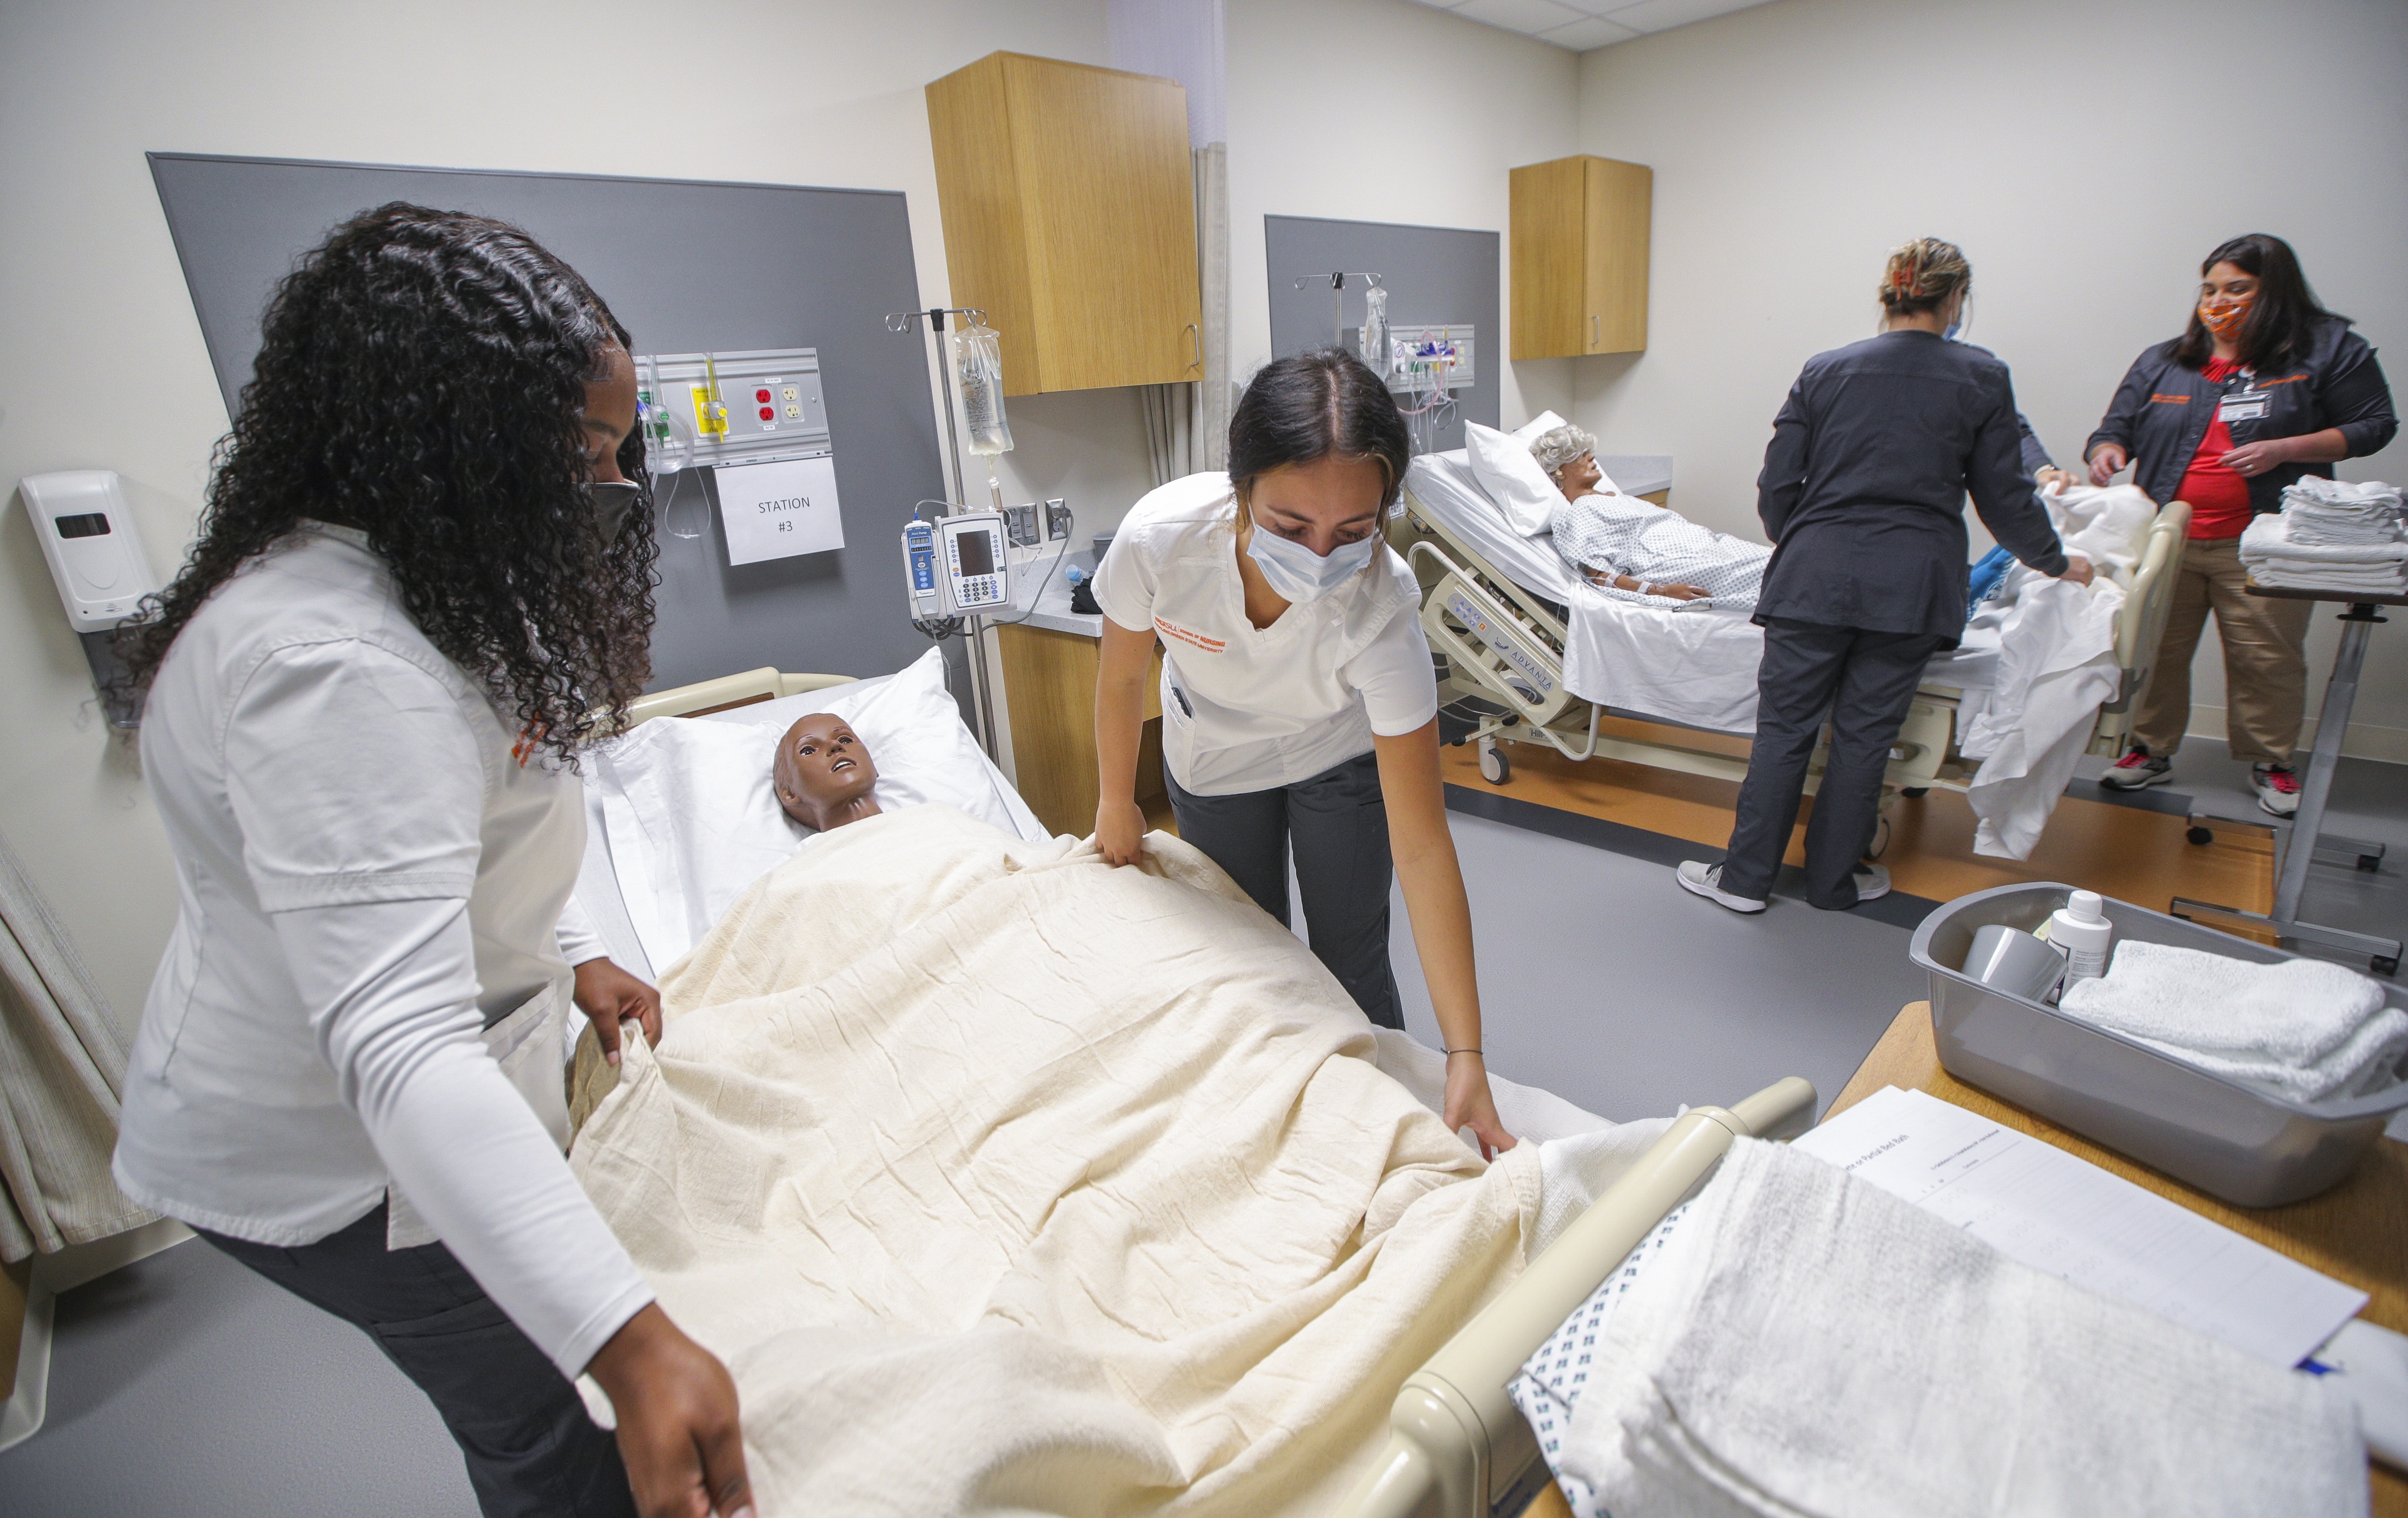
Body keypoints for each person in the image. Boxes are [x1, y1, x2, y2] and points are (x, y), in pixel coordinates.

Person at [113, 205, 751, 1518]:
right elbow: (401, 1042)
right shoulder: (335, 668)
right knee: (550, 1429)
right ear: (452, 427)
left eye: (619, 452)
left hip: (401, 1071)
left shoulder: (431, 576)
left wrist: (574, 948)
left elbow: (487, 804)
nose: (609, 485)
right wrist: (634, 1344)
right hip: (331, 1151)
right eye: (584, 449)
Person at [1089, 349, 1514, 1158]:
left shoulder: (1384, 610)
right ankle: (1268, 1134)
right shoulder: (1162, 543)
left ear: (1384, 513)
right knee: (1249, 961)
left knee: (1350, 961)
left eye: (1353, 530)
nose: (1322, 557)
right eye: (1291, 526)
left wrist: (1466, 1052)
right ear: (1241, 491)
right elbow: (1119, 680)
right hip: (1214, 759)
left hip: (1334, 753)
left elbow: (1422, 845)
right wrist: (1116, 799)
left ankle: (1377, 1134)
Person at [1679, 238, 2089, 914]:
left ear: (1889, 294)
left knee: (1784, 733)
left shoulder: (1826, 370)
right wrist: (2054, 560)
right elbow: (2004, 496)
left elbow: (1778, 484)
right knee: (1865, 739)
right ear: (1955, 299)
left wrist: (1807, 544)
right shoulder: (1981, 376)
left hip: (1813, 577)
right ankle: (1832, 884)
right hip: (1911, 585)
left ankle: (1745, 882)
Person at [2088, 233, 2398, 816]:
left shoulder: (2327, 350)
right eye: (2209, 289)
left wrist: (2285, 449)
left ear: (2274, 292)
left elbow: (2375, 424)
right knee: (2155, 650)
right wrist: (2106, 450)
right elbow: (2115, 426)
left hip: (2262, 542)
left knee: (2266, 656)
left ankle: (2272, 762)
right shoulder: (2167, 359)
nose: (2218, 302)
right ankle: (2148, 750)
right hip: (2168, 540)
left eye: (2237, 289)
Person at [1529, 423, 1771, 607]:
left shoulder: (1618, 498)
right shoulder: (1579, 513)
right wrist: (1662, 591)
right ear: (1559, 470)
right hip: (1674, 564)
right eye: (1579, 455)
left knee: (1782, 559)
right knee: (1776, 569)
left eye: (1588, 451)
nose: (1591, 457)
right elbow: (1600, 577)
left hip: (1707, 545)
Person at [772, 713, 882, 831]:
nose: (835, 745)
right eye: (809, 751)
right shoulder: (814, 851)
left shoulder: (905, 822)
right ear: (790, 792)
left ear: (873, 767)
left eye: (845, 740)